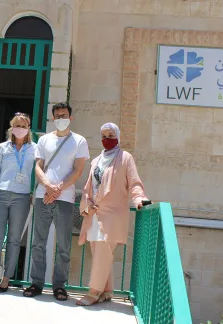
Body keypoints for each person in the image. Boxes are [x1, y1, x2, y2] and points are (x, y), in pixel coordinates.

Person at [76, 123, 148, 306]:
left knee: (102, 249)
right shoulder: (96, 160)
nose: (107, 139)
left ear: (117, 136)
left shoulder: (125, 158)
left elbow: (134, 182)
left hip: (113, 214)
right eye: (103, 136)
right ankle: (107, 290)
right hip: (94, 213)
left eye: (110, 135)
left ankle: (93, 292)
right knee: (100, 251)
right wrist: (87, 205)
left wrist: (139, 199)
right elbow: (88, 187)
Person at [23, 102, 90, 301]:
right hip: (43, 196)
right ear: (53, 118)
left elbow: (78, 170)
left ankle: (59, 286)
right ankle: (36, 283)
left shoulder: (79, 141)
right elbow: (38, 166)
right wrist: (48, 187)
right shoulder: (44, 140)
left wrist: (57, 189)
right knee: (38, 243)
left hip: (66, 199)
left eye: (64, 115)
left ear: (71, 117)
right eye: (58, 115)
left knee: (63, 245)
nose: (61, 118)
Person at [0, 113, 36, 294]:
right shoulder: (2, 147)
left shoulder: (34, 149)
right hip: (1, 194)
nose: (20, 128)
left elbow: (39, 172)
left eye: (23, 125)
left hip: (22, 197)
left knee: (14, 240)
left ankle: (6, 278)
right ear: (11, 127)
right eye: (17, 125)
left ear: (28, 128)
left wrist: (34, 193)